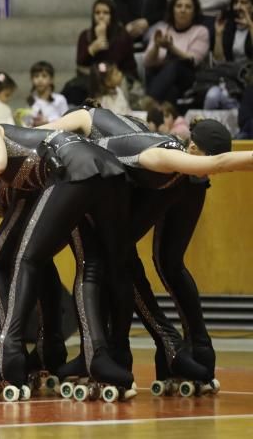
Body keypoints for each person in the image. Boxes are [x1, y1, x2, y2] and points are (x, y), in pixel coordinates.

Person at [44, 107, 251, 387]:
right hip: (167, 180)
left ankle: (126, 349)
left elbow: (44, 132)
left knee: (114, 259)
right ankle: (193, 347)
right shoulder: (130, 129)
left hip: (155, 177)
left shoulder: (91, 123)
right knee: (165, 263)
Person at [0, 123, 134, 397]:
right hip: (106, 169)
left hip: (71, 167)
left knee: (25, 258)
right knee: (92, 265)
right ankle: (104, 356)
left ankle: (8, 353)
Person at [144, 0, 210, 103]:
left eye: (188, 7)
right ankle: (157, 113)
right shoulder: (162, 29)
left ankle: (149, 101)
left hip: (187, 76)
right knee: (171, 90)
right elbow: (147, 62)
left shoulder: (201, 31)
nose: (182, 10)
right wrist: (156, 45)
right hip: (163, 80)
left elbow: (193, 60)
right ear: (172, 9)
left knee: (174, 65)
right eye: (179, 6)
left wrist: (171, 47)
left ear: (194, 12)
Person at [76, 0, 138, 85]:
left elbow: (112, 63)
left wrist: (102, 38)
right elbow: (80, 62)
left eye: (106, 13)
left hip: (120, 76)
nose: (101, 16)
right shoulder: (85, 35)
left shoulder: (123, 36)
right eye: (97, 13)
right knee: (73, 88)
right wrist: (92, 49)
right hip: (93, 78)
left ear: (112, 16)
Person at [25, 61, 68, 126]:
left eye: (44, 76)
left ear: (51, 79)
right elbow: (27, 123)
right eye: (36, 76)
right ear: (31, 79)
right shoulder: (31, 100)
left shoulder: (60, 99)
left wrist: (47, 121)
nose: (40, 80)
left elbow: (67, 120)